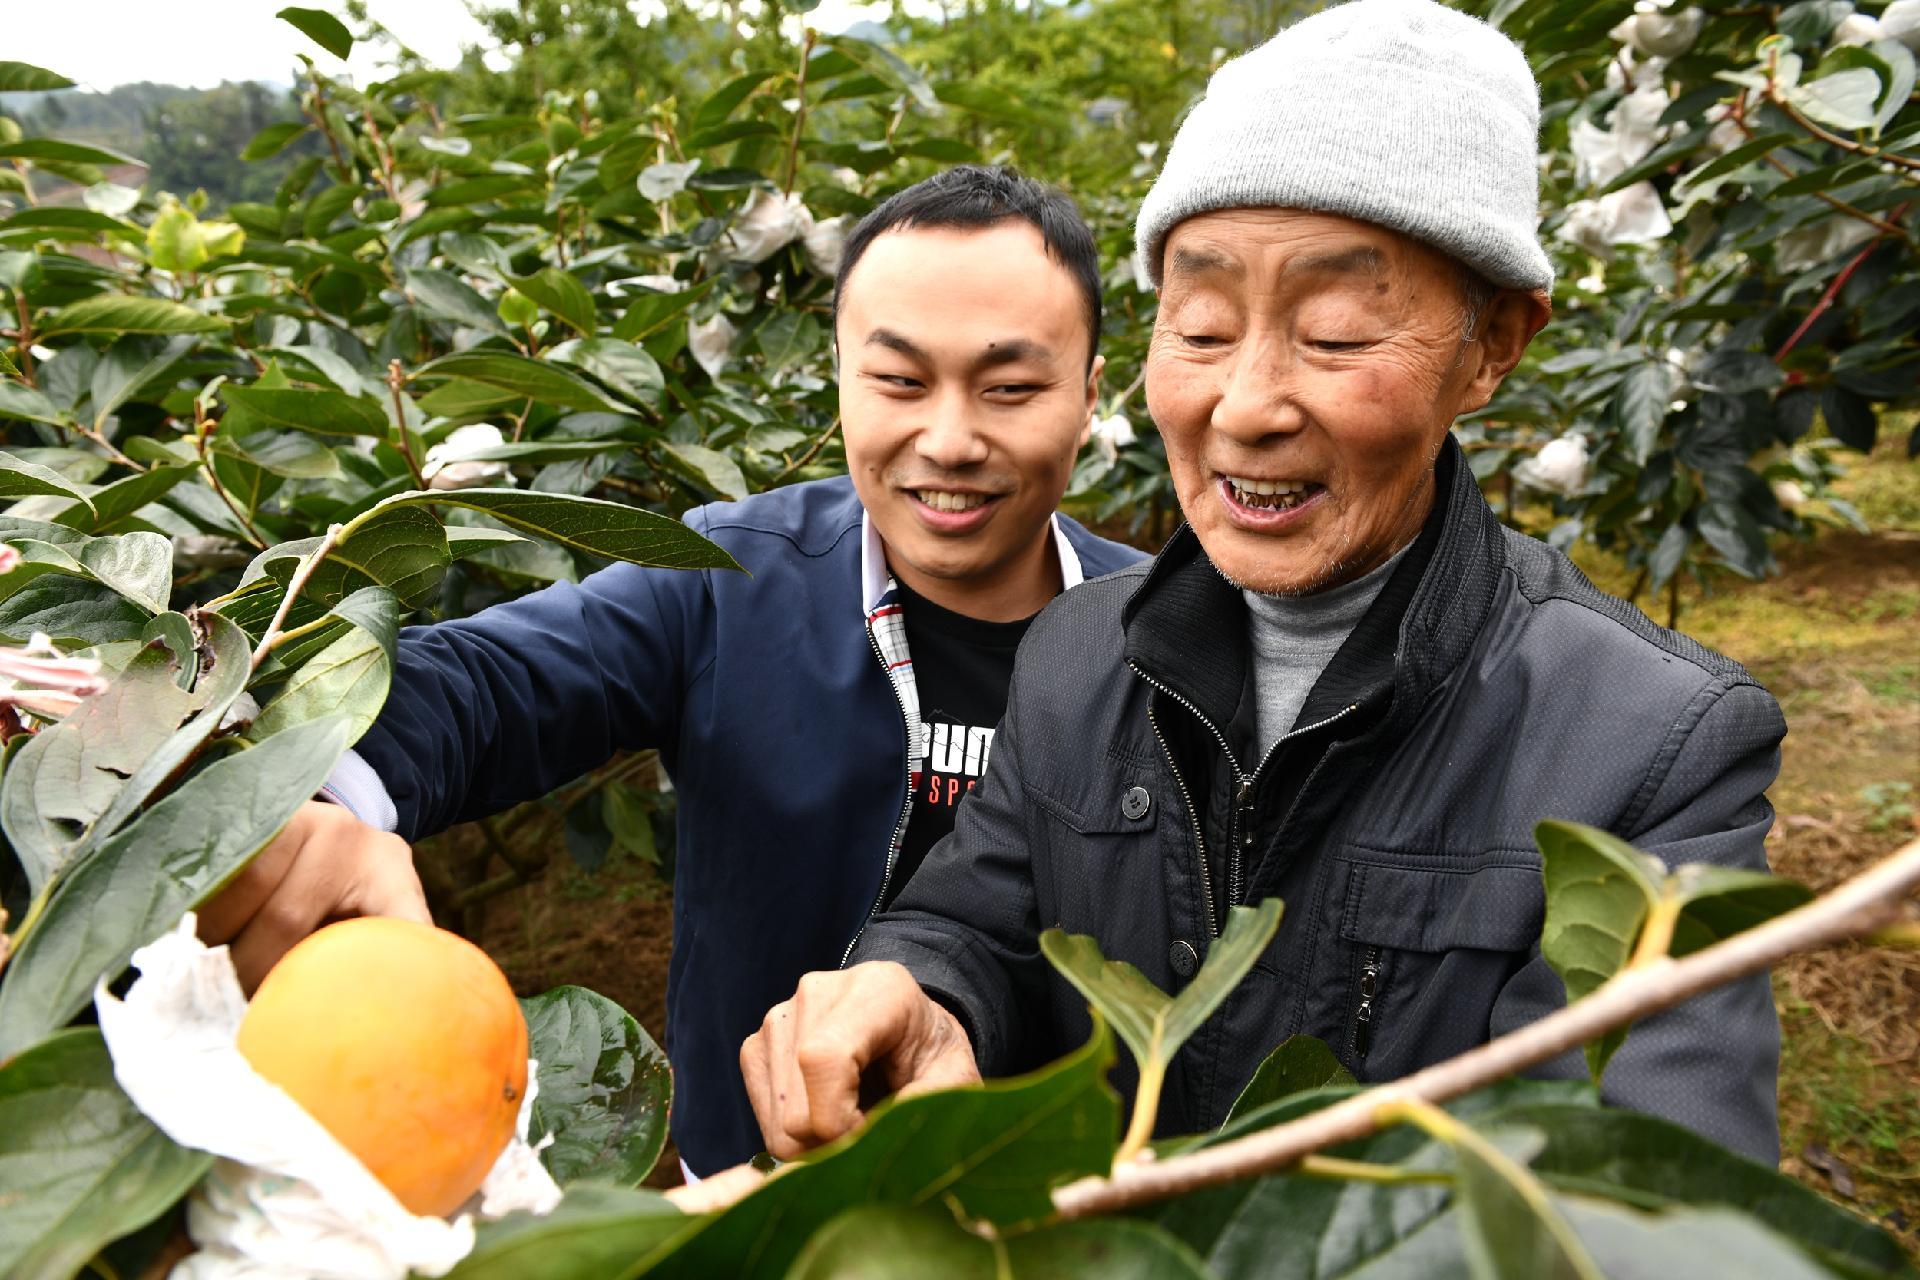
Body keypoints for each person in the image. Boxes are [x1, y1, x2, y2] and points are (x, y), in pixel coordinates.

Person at [740, 0, 1786, 1168]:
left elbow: (1635, 1196)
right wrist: (921, 990)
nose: (1244, 405)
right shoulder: (1079, 653)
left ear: (1494, 345)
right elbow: (976, 917)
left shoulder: (1653, 749)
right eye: (1199, 325)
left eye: (1337, 334)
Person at [196, 166, 1146, 1176]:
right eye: (900, 380)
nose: (948, 440)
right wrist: (301, 788)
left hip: (1058, 1196)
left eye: (1010, 387)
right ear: (838, 375)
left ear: (1091, 390)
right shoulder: (728, 577)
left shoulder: (1165, 635)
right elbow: (487, 683)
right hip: (746, 1188)